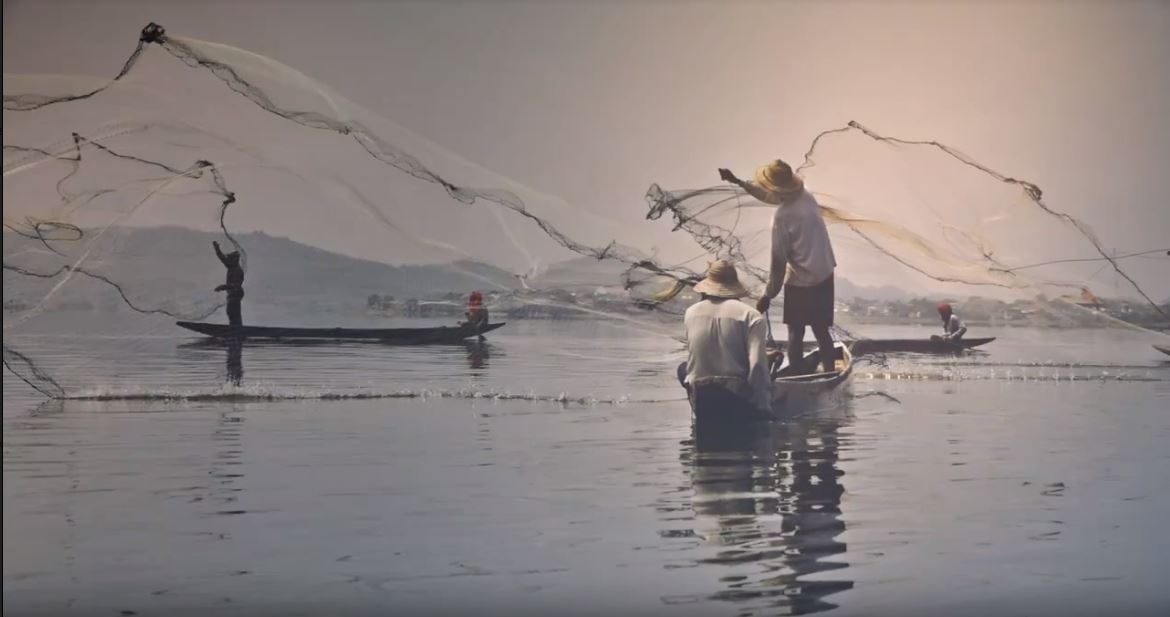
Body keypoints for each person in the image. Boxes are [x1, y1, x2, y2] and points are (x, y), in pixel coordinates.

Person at [718, 159, 837, 374]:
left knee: (795, 333)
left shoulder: (782, 217)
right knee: (821, 331)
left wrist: (767, 295)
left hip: (801, 279)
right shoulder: (806, 196)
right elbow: (770, 197)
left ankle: (798, 377)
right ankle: (829, 374)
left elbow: (778, 263)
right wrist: (738, 182)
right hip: (825, 271)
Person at [676, 260, 772, 416]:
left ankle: (697, 412)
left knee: (682, 368)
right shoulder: (751, 316)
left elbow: (703, 352)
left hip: (701, 389)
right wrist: (763, 405)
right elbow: (757, 368)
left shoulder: (691, 312)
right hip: (736, 392)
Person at [212, 240, 244, 328]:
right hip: (232, 294)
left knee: (233, 312)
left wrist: (223, 287)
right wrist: (216, 248)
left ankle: (236, 329)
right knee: (231, 312)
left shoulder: (237, 270)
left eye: (230, 258)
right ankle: (235, 327)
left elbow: (236, 285)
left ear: (235, 259)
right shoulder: (231, 266)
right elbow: (222, 257)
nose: (227, 260)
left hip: (236, 294)